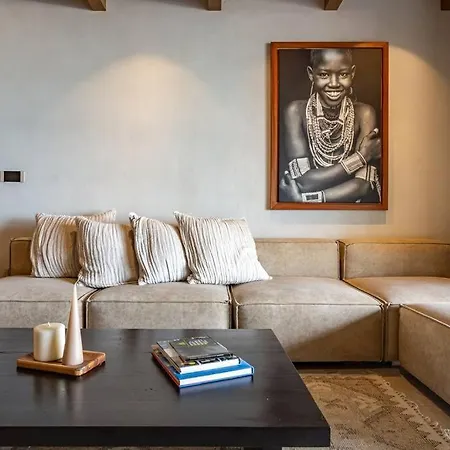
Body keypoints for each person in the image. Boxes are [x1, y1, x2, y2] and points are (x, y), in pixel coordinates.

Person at [279, 48, 382, 203]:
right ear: (311, 74)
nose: (334, 84)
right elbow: (303, 182)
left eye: (343, 74)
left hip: (352, 215)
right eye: (323, 75)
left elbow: (363, 186)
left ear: (352, 73)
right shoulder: (295, 112)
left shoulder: (364, 114)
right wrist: (362, 157)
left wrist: (305, 200)